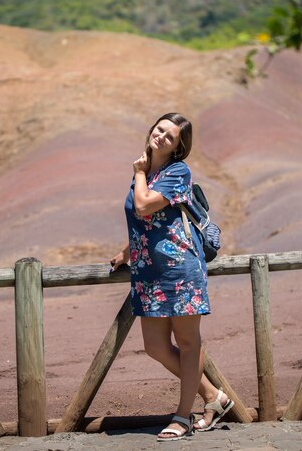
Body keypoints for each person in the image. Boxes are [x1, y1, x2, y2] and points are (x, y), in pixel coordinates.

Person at [110, 112, 233, 441]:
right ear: (152, 130)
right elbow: (145, 222)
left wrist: (138, 172)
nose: (161, 137)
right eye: (159, 129)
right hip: (149, 274)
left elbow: (145, 206)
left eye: (170, 136)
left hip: (180, 270)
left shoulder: (177, 171)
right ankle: (213, 396)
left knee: (189, 344)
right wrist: (126, 252)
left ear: (179, 147)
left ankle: (182, 417)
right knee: (154, 347)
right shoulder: (147, 172)